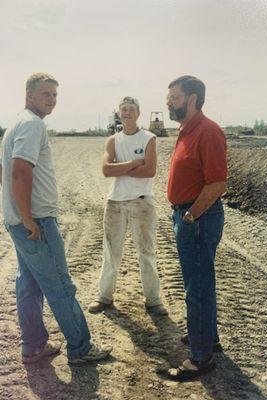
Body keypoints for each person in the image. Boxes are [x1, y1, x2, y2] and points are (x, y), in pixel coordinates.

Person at [0, 73, 112, 365]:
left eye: (54, 95)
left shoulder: (17, 124)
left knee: (29, 284)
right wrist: (28, 219)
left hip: (19, 220)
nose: (51, 100)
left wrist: (17, 215)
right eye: (45, 94)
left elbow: (7, 172)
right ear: (29, 95)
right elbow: (20, 171)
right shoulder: (32, 124)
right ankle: (80, 347)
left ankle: (34, 346)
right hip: (35, 223)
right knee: (60, 285)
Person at [165, 76, 227, 381]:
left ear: (192, 99)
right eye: (169, 97)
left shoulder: (208, 131)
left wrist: (189, 216)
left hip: (198, 219)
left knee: (198, 289)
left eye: (174, 97)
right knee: (200, 282)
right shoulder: (186, 130)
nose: (168, 102)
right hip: (189, 216)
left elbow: (217, 183)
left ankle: (201, 359)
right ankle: (207, 336)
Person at [88, 96, 167, 316]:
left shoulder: (149, 138)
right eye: (123, 109)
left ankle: (153, 300)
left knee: (146, 252)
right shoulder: (113, 140)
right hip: (115, 202)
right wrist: (133, 164)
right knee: (111, 252)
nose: (127, 113)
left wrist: (118, 168)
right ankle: (104, 296)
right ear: (119, 113)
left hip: (142, 202)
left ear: (138, 113)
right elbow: (105, 170)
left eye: (131, 109)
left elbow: (150, 170)